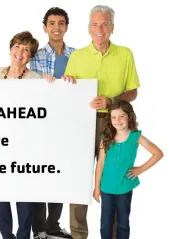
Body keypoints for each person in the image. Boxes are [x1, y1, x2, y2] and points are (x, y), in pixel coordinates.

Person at [64, 5, 141, 239]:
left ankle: (114, 234)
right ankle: (78, 234)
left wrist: (112, 100)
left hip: (115, 123)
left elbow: (133, 92)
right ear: (89, 29)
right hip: (84, 123)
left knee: (114, 176)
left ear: (112, 28)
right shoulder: (77, 56)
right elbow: (68, 93)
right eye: (95, 24)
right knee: (80, 175)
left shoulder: (125, 53)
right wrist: (66, 83)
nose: (100, 28)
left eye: (105, 24)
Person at [29, 7, 75, 239]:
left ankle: (54, 225)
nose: (56, 27)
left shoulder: (76, 56)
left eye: (61, 23)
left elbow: (80, 89)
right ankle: (39, 229)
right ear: (45, 27)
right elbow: (30, 88)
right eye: (52, 23)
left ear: (66, 26)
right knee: (39, 174)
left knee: (60, 174)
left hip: (66, 125)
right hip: (41, 125)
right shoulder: (35, 56)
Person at [0, 31, 41, 239]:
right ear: (11, 48)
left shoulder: (35, 78)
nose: (20, 52)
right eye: (17, 46)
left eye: (26, 49)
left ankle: (23, 236)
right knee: (0, 193)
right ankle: (6, 235)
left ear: (30, 56)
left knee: (24, 194)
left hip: (24, 145)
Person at [93, 100, 163, 239]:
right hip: (106, 187)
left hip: (124, 187)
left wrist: (140, 170)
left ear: (129, 116)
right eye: (114, 117)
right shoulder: (106, 137)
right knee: (105, 223)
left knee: (123, 222)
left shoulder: (135, 137)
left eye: (121, 116)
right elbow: (100, 163)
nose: (117, 120)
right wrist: (96, 188)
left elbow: (158, 154)